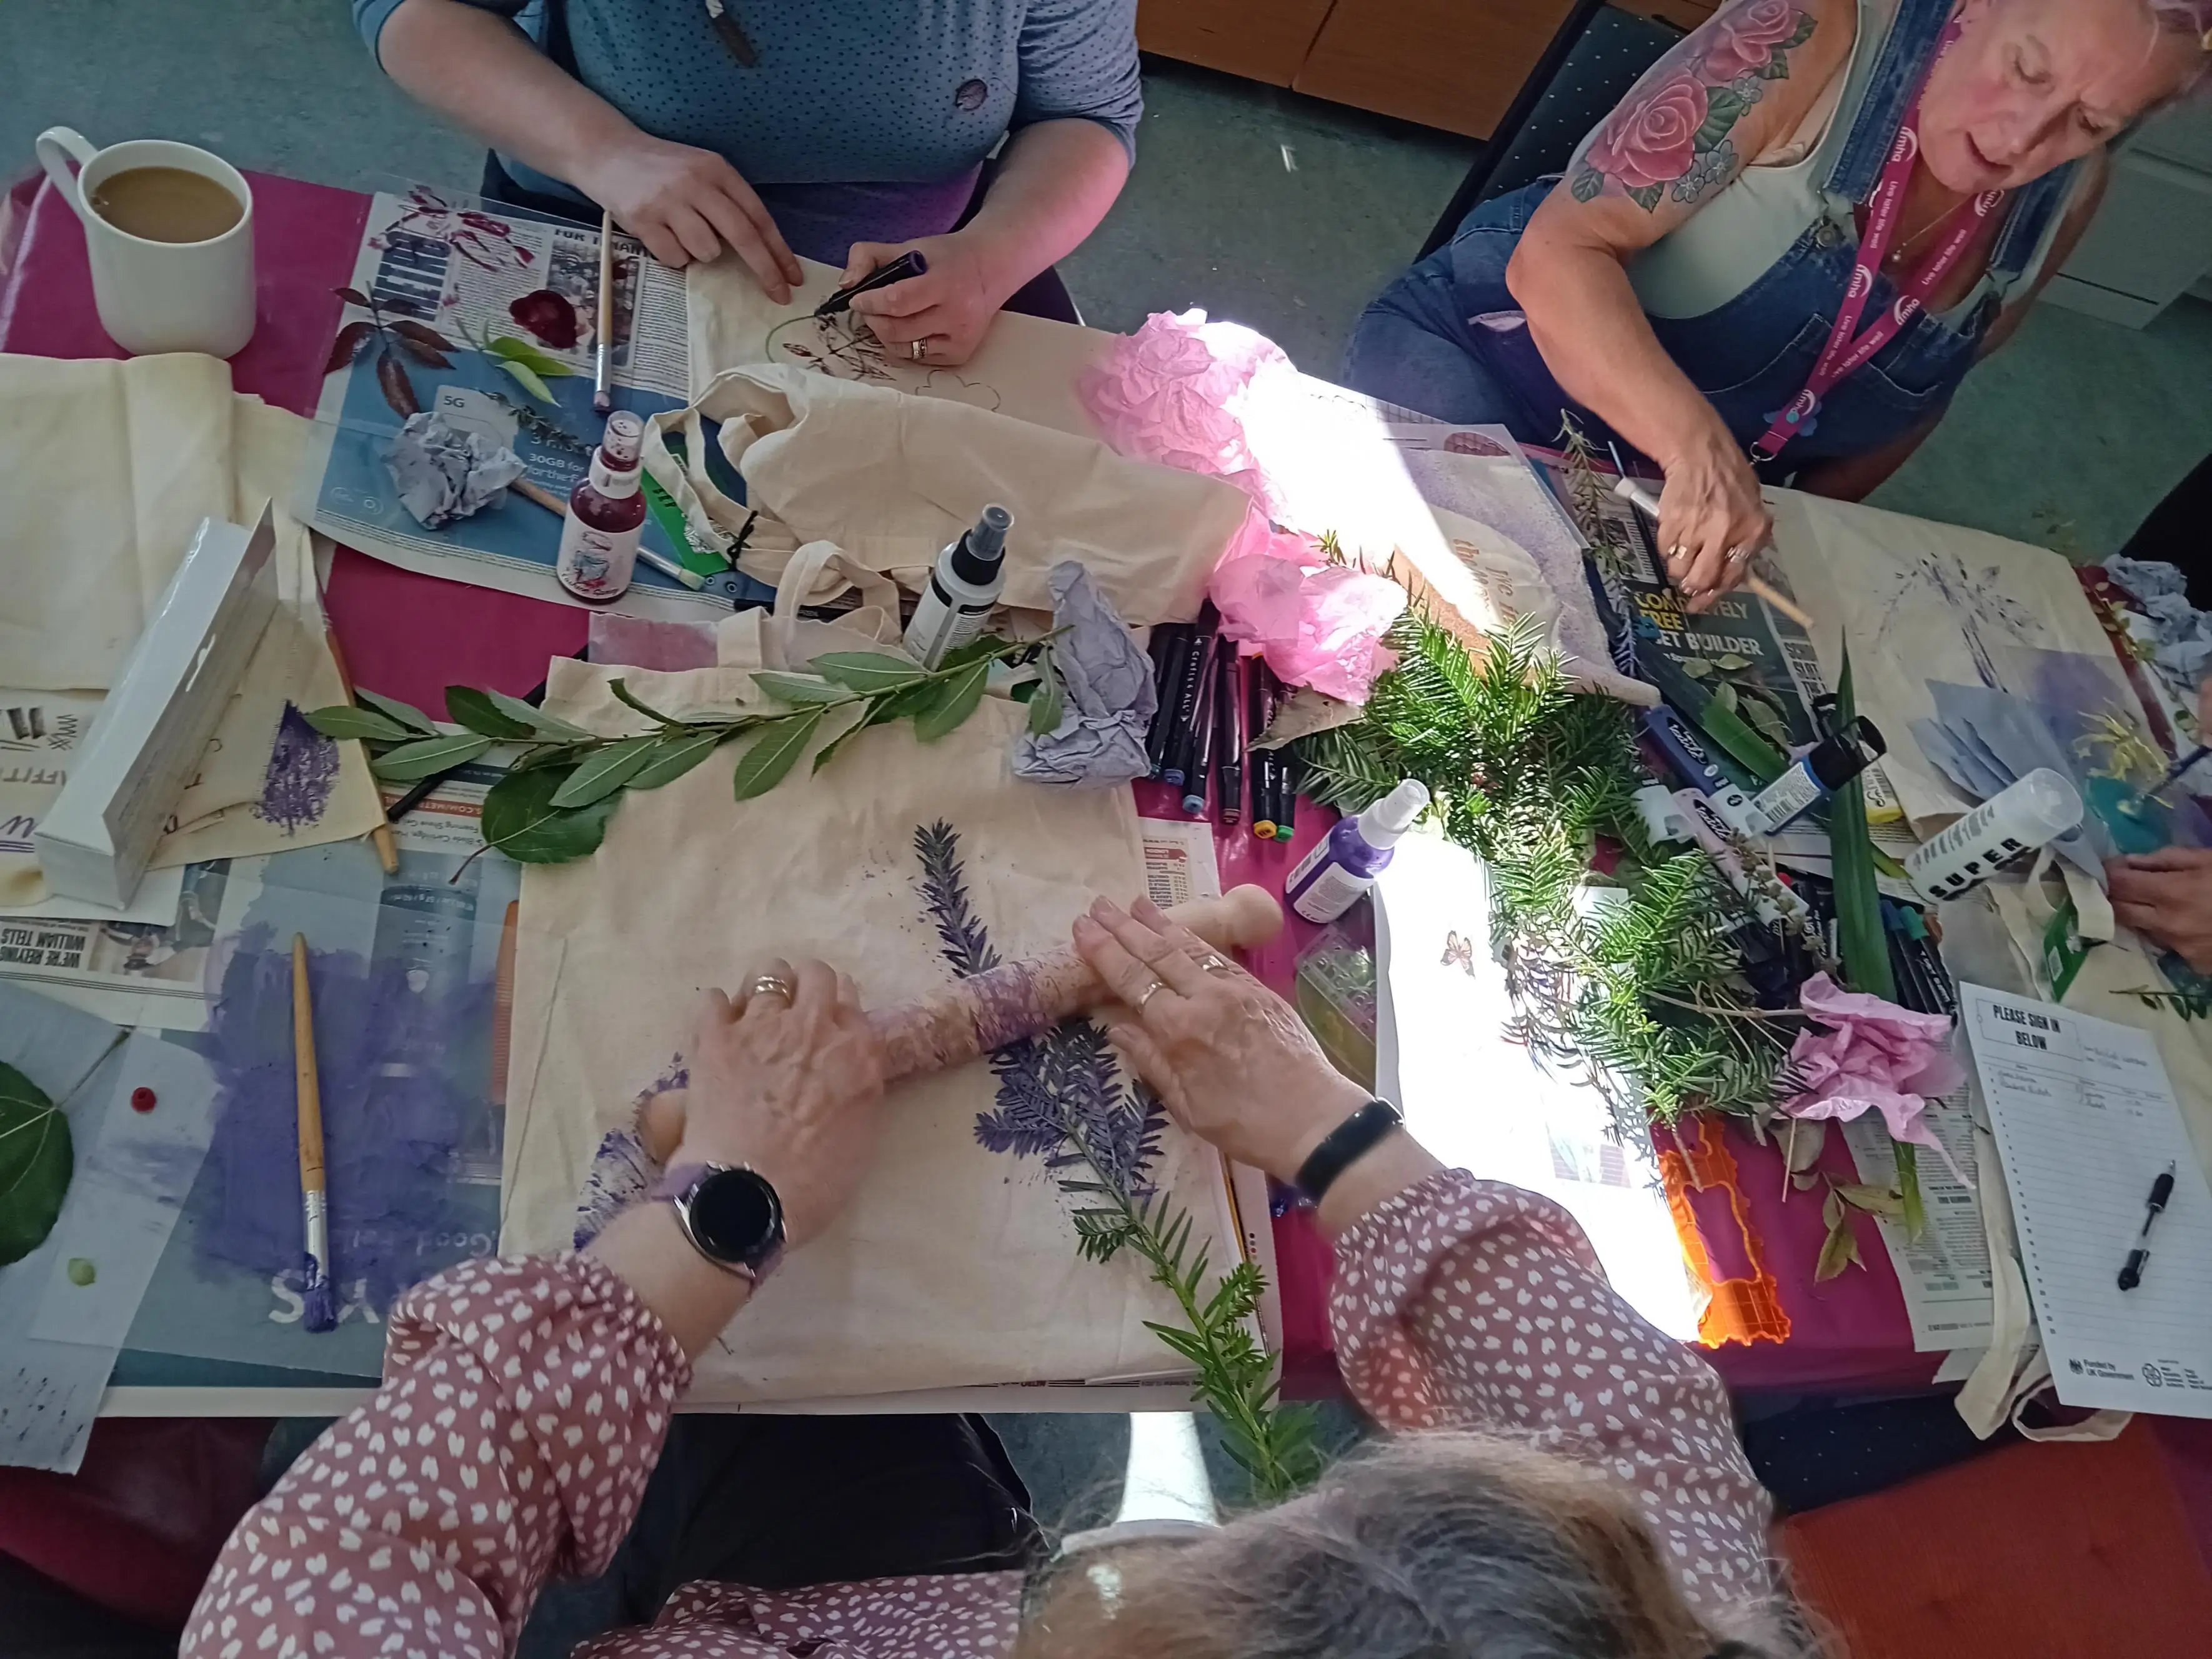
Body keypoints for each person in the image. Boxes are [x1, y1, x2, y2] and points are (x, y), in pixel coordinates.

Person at [181, 897, 1808, 1659]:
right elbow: (1645, 1430)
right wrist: (1322, 1120)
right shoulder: (1690, 1634)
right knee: (860, 1408)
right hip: (888, 1582)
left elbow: (343, 1560)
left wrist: (716, 1204)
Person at [1345, 0, 2211, 611]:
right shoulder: (1809, 32)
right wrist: (1699, 451)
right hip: (1495, 365)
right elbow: (1559, 256)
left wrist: (1807, 528)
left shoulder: (2067, 192)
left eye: (2090, 121)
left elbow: (1931, 381)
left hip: (1672, 497)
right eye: (2027, 68)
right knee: (1471, 633)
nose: (2027, 139)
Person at [353, 0, 1143, 361]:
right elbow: (417, 10)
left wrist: (992, 258)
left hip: (904, 291)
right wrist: (604, 151)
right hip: (600, 234)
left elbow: (1086, 115)